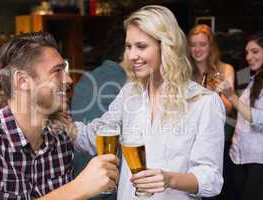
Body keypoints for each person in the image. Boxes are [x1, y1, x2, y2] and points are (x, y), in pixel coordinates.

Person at [66, 5, 225, 199]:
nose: (132, 56)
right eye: (129, 46)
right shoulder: (130, 93)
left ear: (166, 46)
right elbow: (97, 135)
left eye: (141, 46)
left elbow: (211, 178)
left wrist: (170, 179)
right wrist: (61, 125)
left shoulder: (204, 102)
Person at [0, 32, 119, 199]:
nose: (68, 79)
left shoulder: (60, 137)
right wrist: (79, 188)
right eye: (57, 71)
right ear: (22, 81)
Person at [71, 22, 128, 200]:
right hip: (109, 187)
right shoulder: (128, 86)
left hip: (78, 183)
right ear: (126, 51)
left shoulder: (86, 78)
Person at [187, 24, 236, 200]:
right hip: (189, 138)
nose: (197, 49)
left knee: (213, 186)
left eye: (202, 44)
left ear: (211, 46)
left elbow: (229, 106)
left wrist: (211, 94)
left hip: (217, 137)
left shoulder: (225, 69)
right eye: (193, 45)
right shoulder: (185, 72)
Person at [216, 32, 263, 200]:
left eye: (255, 51)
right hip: (239, 156)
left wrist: (231, 96)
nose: (249, 57)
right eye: (247, 52)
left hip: (258, 160)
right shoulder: (253, 79)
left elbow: (259, 120)